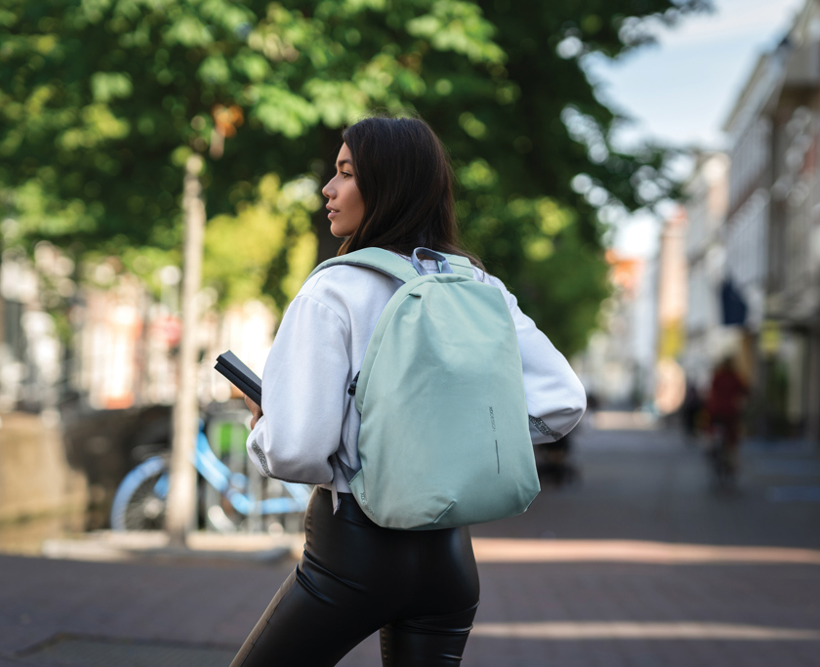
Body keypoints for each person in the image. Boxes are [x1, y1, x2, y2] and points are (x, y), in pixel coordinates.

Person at [230, 115, 586, 667]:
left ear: (387, 186)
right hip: (450, 562)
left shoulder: (334, 288)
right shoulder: (480, 285)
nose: (328, 188)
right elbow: (563, 401)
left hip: (353, 557)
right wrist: (460, 440)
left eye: (346, 173)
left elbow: (297, 450)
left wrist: (264, 428)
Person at [704, 357, 747, 485]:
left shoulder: (717, 376)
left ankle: (711, 447)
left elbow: (710, 392)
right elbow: (745, 391)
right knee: (732, 439)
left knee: (712, 430)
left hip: (715, 411)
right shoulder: (735, 377)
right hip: (730, 412)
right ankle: (731, 463)